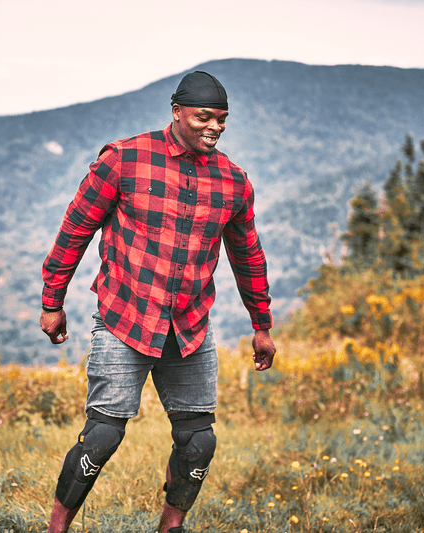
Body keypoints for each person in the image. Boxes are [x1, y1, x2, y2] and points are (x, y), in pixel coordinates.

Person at [40, 71, 276, 533]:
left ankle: (171, 528)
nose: (215, 126)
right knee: (102, 436)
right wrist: (53, 299)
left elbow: (247, 253)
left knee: (198, 442)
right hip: (125, 318)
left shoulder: (232, 181)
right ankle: (56, 528)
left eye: (222, 119)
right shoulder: (125, 159)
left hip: (189, 327)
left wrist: (261, 324)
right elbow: (76, 228)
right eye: (203, 117)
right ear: (176, 113)